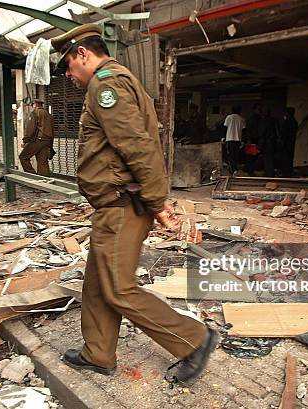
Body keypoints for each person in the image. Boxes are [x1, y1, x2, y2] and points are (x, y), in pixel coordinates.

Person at [52, 23, 218, 386]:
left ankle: (194, 339)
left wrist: (158, 202)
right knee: (97, 283)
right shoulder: (119, 81)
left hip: (122, 205)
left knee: (118, 288)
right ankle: (98, 353)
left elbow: (137, 146)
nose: (68, 74)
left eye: (67, 64)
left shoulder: (106, 85)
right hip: (114, 204)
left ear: (83, 53)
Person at [18, 99, 54, 176]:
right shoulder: (48, 114)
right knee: (43, 162)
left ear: (35, 104)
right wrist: (51, 145)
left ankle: (32, 176)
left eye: (32, 105)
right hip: (46, 141)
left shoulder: (35, 113)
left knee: (23, 157)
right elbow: (52, 131)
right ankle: (44, 182)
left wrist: (25, 140)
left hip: (37, 140)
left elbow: (31, 129)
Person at [223, 106, 245, 174]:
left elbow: (224, 128)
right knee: (235, 155)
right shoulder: (242, 119)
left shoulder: (229, 117)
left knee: (230, 155)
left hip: (229, 138)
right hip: (238, 139)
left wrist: (223, 137)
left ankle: (233, 170)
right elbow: (244, 130)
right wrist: (243, 141)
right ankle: (235, 169)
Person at [258, 106, 278, 177]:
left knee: (267, 159)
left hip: (267, 142)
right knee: (270, 159)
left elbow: (262, 133)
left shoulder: (264, 121)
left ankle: (269, 174)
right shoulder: (274, 120)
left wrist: (260, 145)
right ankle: (270, 173)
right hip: (272, 142)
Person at [279, 107, 298, 177]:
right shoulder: (294, 122)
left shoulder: (288, 122)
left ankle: (285, 173)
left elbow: (284, 133)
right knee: (289, 158)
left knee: (285, 159)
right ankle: (288, 172)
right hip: (291, 143)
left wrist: (282, 141)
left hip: (286, 143)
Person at [244, 104, 262, 176]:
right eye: (258, 109)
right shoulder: (252, 118)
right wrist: (248, 139)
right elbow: (248, 129)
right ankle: (250, 170)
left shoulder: (259, 118)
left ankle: (250, 170)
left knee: (254, 155)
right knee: (250, 156)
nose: (259, 111)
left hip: (256, 139)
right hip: (252, 139)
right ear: (254, 109)